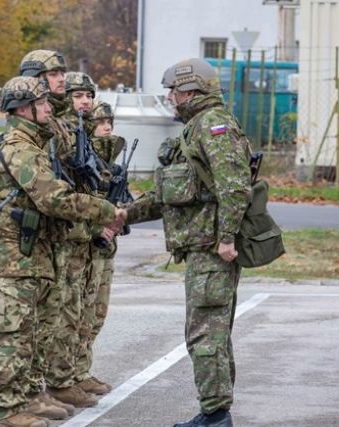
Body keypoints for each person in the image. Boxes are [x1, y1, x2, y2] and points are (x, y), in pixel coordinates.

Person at [0, 75, 126, 427]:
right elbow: (53, 198)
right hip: (16, 257)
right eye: (41, 103)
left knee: (34, 331)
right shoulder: (18, 147)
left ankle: (30, 396)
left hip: (35, 253)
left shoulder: (34, 144)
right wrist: (105, 211)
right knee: (15, 334)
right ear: (23, 109)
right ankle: (9, 408)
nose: (49, 108)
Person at [125, 58, 252, 427]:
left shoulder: (213, 126)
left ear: (193, 91)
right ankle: (216, 412)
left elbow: (234, 187)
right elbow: (171, 194)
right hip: (203, 248)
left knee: (205, 333)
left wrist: (226, 239)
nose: (170, 97)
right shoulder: (196, 128)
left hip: (212, 249)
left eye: (174, 91)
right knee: (210, 331)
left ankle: (215, 416)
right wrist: (123, 214)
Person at [18, 49, 98, 412]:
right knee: (41, 317)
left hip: (68, 229)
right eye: (53, 74)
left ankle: (61, 380)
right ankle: (41, 386)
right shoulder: (35, 126)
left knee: (66, 310)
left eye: (62, 73)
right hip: (43, 232)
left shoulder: (60, 121)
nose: (61, 79)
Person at [75, 99, 127, 393]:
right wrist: (98, 227)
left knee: (97, 314)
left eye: (110, 122)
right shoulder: (83, 161)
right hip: (85, 247)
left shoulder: (113, 165)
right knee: (80, 314)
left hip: (106, 249)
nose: (107, 127)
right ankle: (72, 373)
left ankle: (82, 369)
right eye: (100, 122)